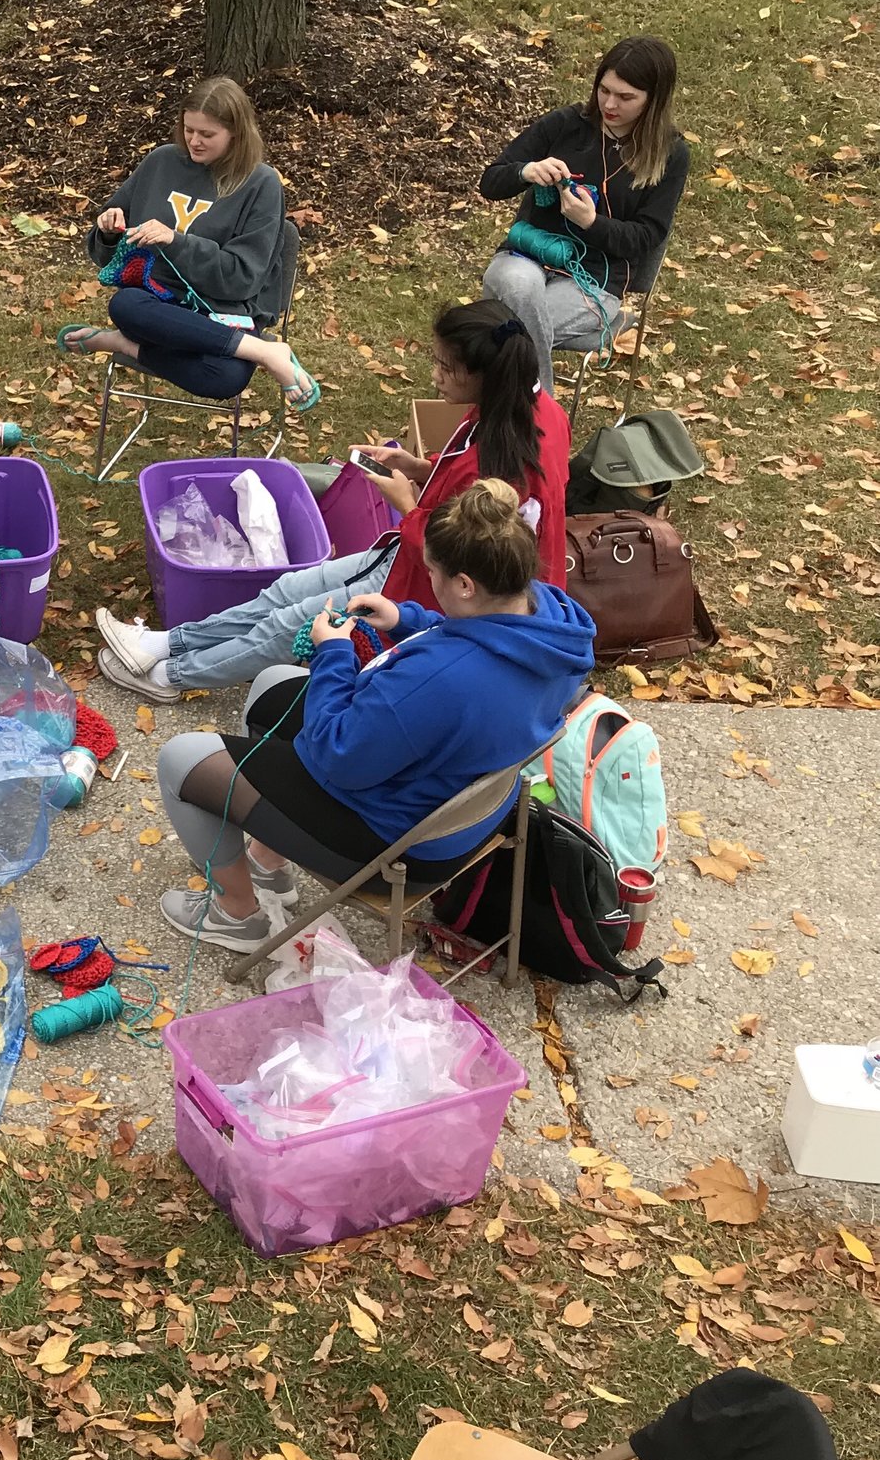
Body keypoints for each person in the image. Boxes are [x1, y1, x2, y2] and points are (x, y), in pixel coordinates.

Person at [150, 479, 595, 953]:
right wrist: (407, 620)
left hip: (399, 842)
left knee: (181, 758)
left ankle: (236, 914)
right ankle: (269, 865)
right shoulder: (553, 621)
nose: (431, 583)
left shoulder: (439, 681)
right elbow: (486, 635)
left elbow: (336, 753)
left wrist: (334, 653)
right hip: (463, 804)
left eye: (434, 574)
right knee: (272, 685)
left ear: (465, 585)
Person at [96, 300, 567, 702]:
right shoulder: (523, 411)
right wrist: (421, 469)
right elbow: (465, 483)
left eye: (446, 368)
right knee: (284, 594)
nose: (435, 376)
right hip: (407, 552)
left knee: (287, 627)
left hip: (428, 572)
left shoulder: (511, 461)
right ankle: (166, 644)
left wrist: (408, 505)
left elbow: (470, 554)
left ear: (487, 375)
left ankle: (171, 677)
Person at [59, 76, 317, 410]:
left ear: (236, 133)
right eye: (188, 129)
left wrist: (175, 241)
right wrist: (109, 231)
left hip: (221, 310)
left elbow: (241, 278)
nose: (193, 141)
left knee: (226, 378)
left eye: (207, 134)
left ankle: (123, 343)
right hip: (156, 303)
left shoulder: (260, 183)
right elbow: (106, 250)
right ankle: (264, 351)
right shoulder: (161, 162)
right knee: (125, 305)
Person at [480, 35, 688, 394]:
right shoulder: (566, 124)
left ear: (653, 100)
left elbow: (646, 237)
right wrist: (525, 172)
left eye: (625, 97)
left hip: (594, 282)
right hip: (528, 255)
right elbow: (490, 182)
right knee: (518, 287)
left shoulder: (670, 154)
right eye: (604, 90)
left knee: (507, 332)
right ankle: (539, 422)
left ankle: (515, 421)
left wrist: (591, 223)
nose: (609, 104)